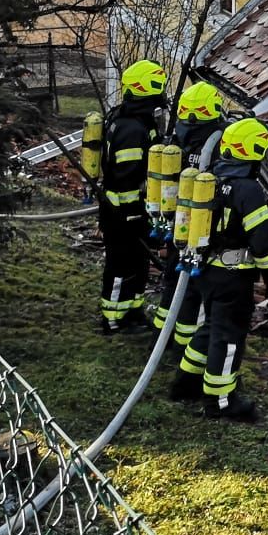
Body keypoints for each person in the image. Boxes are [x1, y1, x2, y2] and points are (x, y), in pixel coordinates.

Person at [168, 116, 268, 420]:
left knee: (210, 328)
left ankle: (186, 383)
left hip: (206, 272)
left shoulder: (212, 178)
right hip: (233, 276)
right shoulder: (248, 190)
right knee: (229, 337)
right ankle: (220, 402)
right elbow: (262, 242)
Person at [152, 80, 227, 356]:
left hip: (175, 222)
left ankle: (160, 337)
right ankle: (184, 345)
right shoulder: (218, 139)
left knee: (172, 279)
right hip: (201, 228)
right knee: (194, 289)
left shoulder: (178, 134)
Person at [96, 58, 166, 335]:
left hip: (131, 211)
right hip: (122, 214)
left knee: (138, 264)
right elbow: (125, 178)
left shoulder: (132, 119)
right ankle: (113, 319)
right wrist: (133, 215)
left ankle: (133, 312)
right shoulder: (132, 130)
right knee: (120, 266)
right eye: (158, 87)